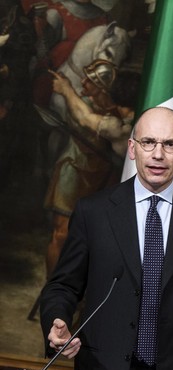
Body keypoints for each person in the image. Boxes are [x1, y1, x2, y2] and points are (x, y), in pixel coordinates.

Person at [40, 107, 173, 370]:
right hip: (104, 366)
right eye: (148, 142)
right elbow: (63, 286)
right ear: (132, 148)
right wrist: (56, 320)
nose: (158, 154)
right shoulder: (93, 211)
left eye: (170, 144)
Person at [44, 59, 120, 279]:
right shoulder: (81, 102)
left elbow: (86, 119)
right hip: (74, 170)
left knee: (91, 240)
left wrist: (67, 90)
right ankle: (54, 289)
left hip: (100, 178)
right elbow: (78, 113)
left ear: (102, 87)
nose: (84, 82)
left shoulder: (114, 116)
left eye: (90, 80)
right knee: (61, 234)